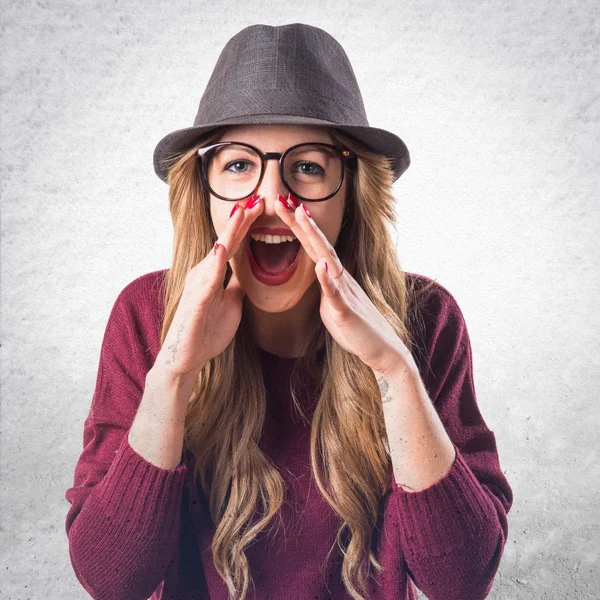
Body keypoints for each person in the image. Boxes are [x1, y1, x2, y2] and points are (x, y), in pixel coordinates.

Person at [65, 23, 513, 600]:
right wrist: (173, 374)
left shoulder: (427, 319)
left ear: (350, 194)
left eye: (306, 167)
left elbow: (462, 582)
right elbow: (108, 579)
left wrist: (396, 372)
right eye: (238, 166)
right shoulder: (145, 315)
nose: (273, 202)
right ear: (202, 192)